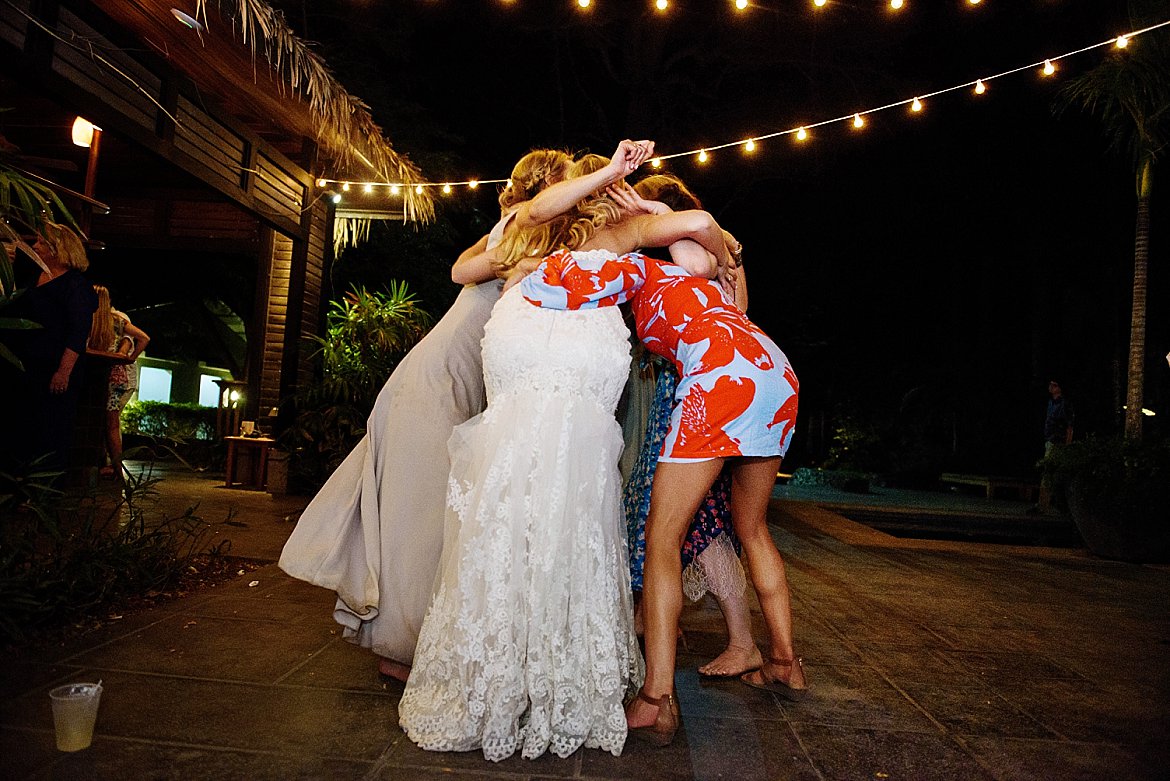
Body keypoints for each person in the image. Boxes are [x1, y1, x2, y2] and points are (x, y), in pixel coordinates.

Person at [398, 139, 737, 761]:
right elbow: (466, 267)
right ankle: (527, 672)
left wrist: (716, 252)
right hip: (542, 360)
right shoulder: (549, 234)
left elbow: (695, 226)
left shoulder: (569, 235)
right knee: (533, 502)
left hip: (555, 358)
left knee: (542, 501)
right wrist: (716, 249)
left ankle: (524, 673)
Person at [512, 178, 805, 746]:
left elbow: (555, 284)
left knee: (661, 538)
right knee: (752, 528)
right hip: (775, 371)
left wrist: (539, 274)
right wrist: (657, 211)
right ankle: (786, 662)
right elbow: (721, 246)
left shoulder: (640, 272)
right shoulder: (718, 288)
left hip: (720, 381)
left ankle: (655, 698)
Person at [278, 148, 572, 683]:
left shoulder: (535, 240)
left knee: (434, 517)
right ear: (547, 186)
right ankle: (405, 646)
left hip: (452, 385)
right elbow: (464, 269)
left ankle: (408, 643)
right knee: (422, 522)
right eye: (566, 184)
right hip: (433, 383)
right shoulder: (517, 228)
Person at [621, 173, 761, 679]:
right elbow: (740, 309)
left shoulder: (688, 250)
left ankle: (742, 641)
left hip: (687, 396)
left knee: (695, 526)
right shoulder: (721, 252)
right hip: (693, 392)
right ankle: (655, 617)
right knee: (667, 516)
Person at [1, 222, 97, 470]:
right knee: (21, 424)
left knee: (49, 426)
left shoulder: (76, 285)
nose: (36, 246)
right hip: (26, 364)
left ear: (59, 249)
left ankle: (42, 489)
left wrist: (63, 372)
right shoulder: (35, 276)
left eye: (42, 243)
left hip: (51, 364)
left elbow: (78, 331)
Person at [87, 285, 150, 478]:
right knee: (112, 423)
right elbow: (144, 338)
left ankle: (106, 466)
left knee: (98, 421)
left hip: (98, 375)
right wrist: (129, 358)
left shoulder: (89, 319)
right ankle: (116, 467)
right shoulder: (117, 321)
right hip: (117, 375)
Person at [1036, 378, 1074, 513]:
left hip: (1058, 441)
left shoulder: (1064, 404)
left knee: (1049, 471)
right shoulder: (1051, 402)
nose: (1051, 387)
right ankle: (1048, 504)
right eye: (1050, 384)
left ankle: (1044, 505)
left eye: (1055, 385)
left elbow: (1069, 426)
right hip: (1050, 439)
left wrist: (1067, 445)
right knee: (1051, 472)